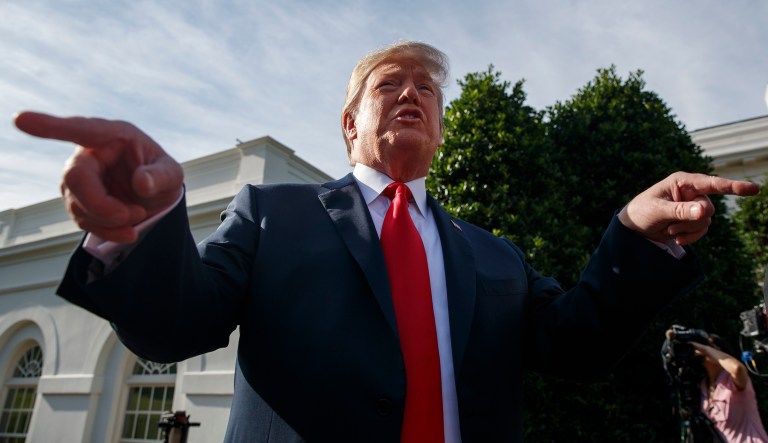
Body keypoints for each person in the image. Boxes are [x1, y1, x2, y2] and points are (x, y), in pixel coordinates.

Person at [13, 41, 760, 442]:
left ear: (438, 126)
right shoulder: (271, 213)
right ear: (349, 125)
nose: (411, 94)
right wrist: (140, 225)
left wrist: (633, 235)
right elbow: (176, 324)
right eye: (388, 84)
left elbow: (576, 345)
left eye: (426, 89)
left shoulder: (493, 253)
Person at [692, 337, 768, 442]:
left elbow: (737, 368)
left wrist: (705, 349)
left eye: (711, 347)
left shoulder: (731, 379)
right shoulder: (704, 386)